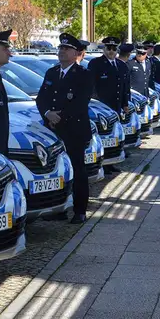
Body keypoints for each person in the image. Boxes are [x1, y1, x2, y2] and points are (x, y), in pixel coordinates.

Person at [36, 33, 94, 224]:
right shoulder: (52, 73)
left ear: (76, 53)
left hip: (74, 130)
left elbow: (80, 103)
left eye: (66, 49)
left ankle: (80, 210)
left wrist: (58, 117)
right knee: (55, 170)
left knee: (77, 169)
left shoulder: (83, 75)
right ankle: (57, 208)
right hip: (52, 129)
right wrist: (47, 114)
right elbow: (41, 98)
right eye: (60, 48)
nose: (62, 51)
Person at [89, 36, 127, 115]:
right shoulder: (95, 63)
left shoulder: (121, 65)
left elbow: (124, 86)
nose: (111, 51)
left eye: (114, 49)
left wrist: (125, 103)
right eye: (109, 48)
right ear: (104, 49)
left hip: (118, 106)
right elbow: (91, 86)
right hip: (102, 107)